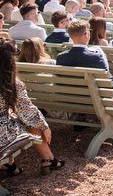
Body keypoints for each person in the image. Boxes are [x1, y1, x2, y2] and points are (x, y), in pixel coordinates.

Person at [57, 21, 113, 136]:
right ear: (86, 34)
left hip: (73, 99)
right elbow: (110, 83)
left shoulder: (61, 58)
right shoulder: (96, 57)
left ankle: (81, 118)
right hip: (100, 99)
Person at [0, 38, 65, 176]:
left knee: (23, 117)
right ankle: (48, 158)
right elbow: (28, 110)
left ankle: (8, 165)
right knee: (32, 121)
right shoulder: (11, 83)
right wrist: (45, 127)